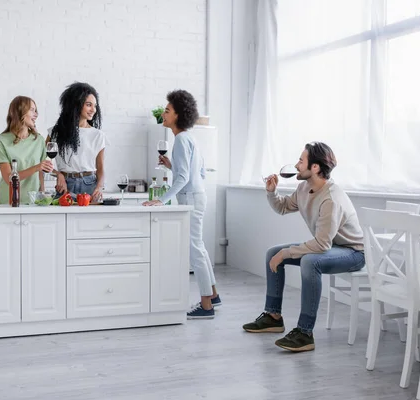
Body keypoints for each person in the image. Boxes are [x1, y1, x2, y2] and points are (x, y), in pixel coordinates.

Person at [242, 142, 365, 352]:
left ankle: (304, 332)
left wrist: (286, 253)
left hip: (352, 253)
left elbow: (321, 244)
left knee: (309, 261)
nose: (297, 165)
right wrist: (272, 193)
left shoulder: (331, 199)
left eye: (301, 160)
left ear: (315, 167)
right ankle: (273, 316)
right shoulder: (304, 188)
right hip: (331, 247)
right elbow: (283, 207)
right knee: (273, 252)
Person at [143, 89, 221, 320]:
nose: (164, 114)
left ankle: (206, 305)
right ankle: (213, 295)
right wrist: (171, 165)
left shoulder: (181, 140)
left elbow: (184, 178)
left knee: (194, 250)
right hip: (196, 196)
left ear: (178, 115)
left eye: (167, 111)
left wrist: (161, 200)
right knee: (200, 248)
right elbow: (195, 173)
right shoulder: (187, 139)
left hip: (191, 198)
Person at [48, 82, 106, 202]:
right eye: (88, 105)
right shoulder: (56, 132)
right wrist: (58, 174)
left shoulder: (97, 135)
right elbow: (43, 163)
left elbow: (100, 169)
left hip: (90, 185)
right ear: (75, 105)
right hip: (64, 186)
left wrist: (99, 187)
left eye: (95, 106)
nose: (93, 110)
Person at [0, 96, 54, 205]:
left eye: (36, 111)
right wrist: (36, 167)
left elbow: (41, 172)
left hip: (33, 201)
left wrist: (42, 194)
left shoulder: (38, 140)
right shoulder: (1, 141)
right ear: (19, 111)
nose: (36, 115)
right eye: (32, 110)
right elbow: (8, 178)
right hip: (9, 201)